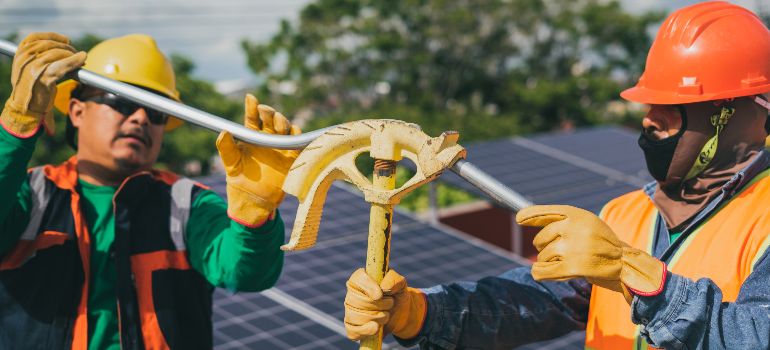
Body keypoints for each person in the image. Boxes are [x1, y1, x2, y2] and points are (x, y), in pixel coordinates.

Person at [343, 2, 770, 349]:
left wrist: (635, 275)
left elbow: (753, 335)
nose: (648, 120)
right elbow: (537, 300)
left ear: (731, 117)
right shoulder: (623, 216)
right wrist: (419, 313)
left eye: (671, 109)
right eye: (649, 103)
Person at [0, 32, 300, 349]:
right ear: (77, 111)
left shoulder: (188, 204)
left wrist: (255, 213)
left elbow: (246, 274)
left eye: (155, 111)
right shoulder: (30, 195)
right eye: (124, 101)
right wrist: (16, 128)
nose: (142, 118)